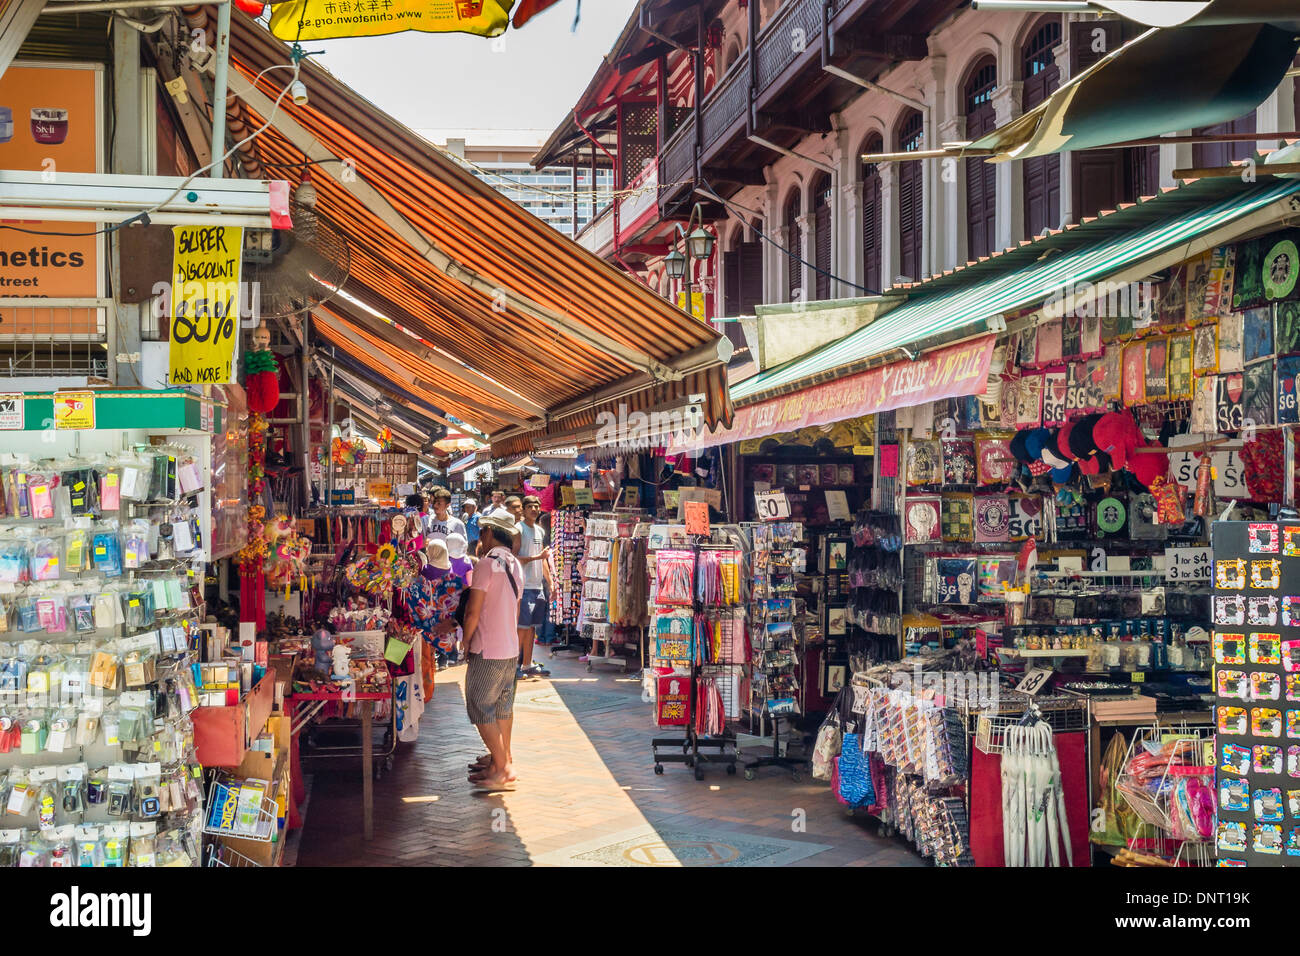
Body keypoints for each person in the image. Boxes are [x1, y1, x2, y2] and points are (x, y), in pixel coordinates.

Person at [460, 514, 524, 790]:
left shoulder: (487, 564)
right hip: (510, 647)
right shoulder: (515, 564)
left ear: (488, 533)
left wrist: (465, 640)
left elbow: (473, 609)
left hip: (488, 648)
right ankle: (501, 759)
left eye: (482, 533)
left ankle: (504, 769)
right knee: (502, 706)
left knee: (479, 705)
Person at [514, 495, 552, 680]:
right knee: (521, 627)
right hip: (524, 585)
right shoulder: (518, 530)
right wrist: (537, 558)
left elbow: (543, 558)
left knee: (531, 628)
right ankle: (514, 667)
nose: (534, 510)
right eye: (530, 506)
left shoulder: (539, 530)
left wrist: (550, 582)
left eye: (537, 506)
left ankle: (527, 664)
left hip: (537, 585)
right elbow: (514, 558)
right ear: (523, 509)